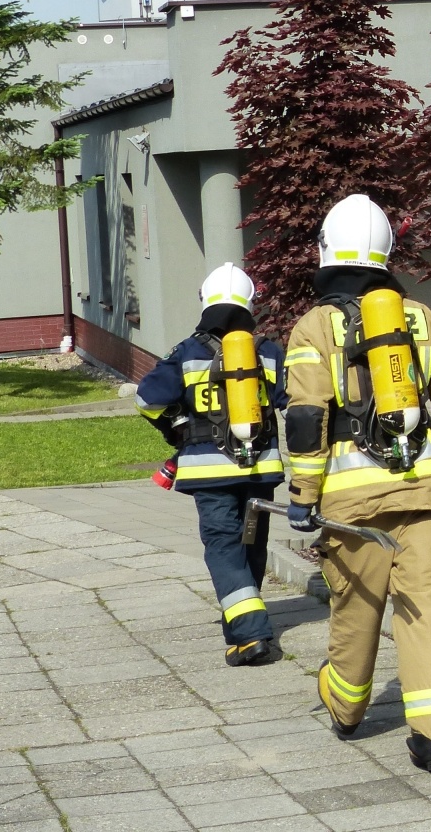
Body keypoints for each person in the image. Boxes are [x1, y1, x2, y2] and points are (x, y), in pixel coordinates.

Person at [281, 194, 431, 772]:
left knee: (357, 606)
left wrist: (303, 497)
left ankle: (345, 708)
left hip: (351, 505)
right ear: (387, 254)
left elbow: (305, 418)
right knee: (426, 610)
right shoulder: (424, 321)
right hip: (425, 494)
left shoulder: (313, 327)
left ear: (325, 250)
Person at [135, 262, 286, 666]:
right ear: (250, 304)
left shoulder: (186, 353)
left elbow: (146, 399)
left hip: (209, 471)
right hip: (260, 468)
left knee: (223, 545)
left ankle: (251, 632)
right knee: (252, 546)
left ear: (205, 302)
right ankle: (239, 627)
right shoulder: (268, 352)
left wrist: (174, 428)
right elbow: (295, 402)